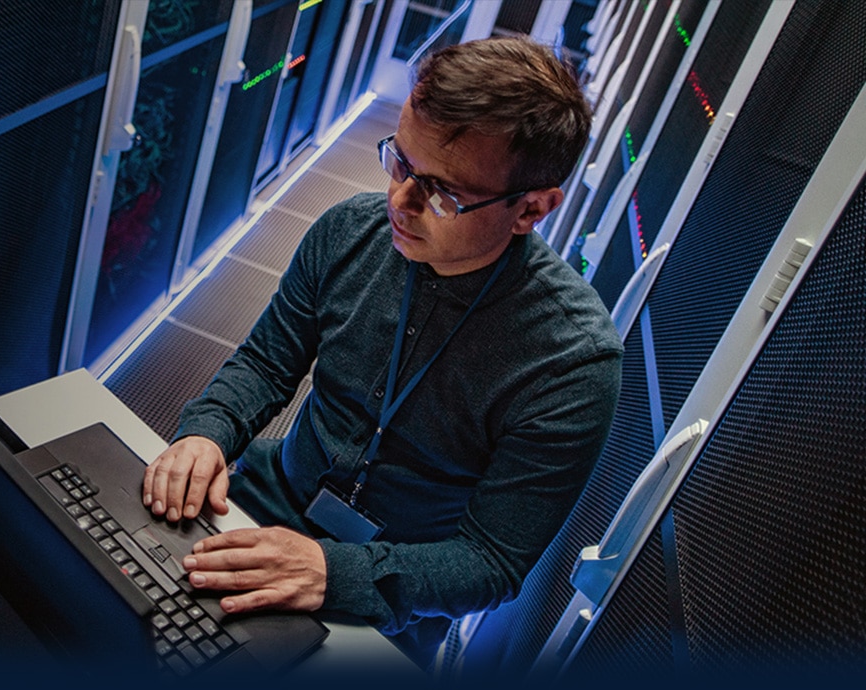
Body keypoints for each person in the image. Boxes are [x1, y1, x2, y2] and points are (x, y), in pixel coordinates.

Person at [142, 35, 623, 670]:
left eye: (443, 193)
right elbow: (264, 365)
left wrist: (331, 572)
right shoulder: (348, 230)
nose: (400, 201)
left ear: (531, 208)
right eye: (400, 162)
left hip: (397, 583)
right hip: (266, 493)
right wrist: (206, 434)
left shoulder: (571, 362)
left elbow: (491, 562)